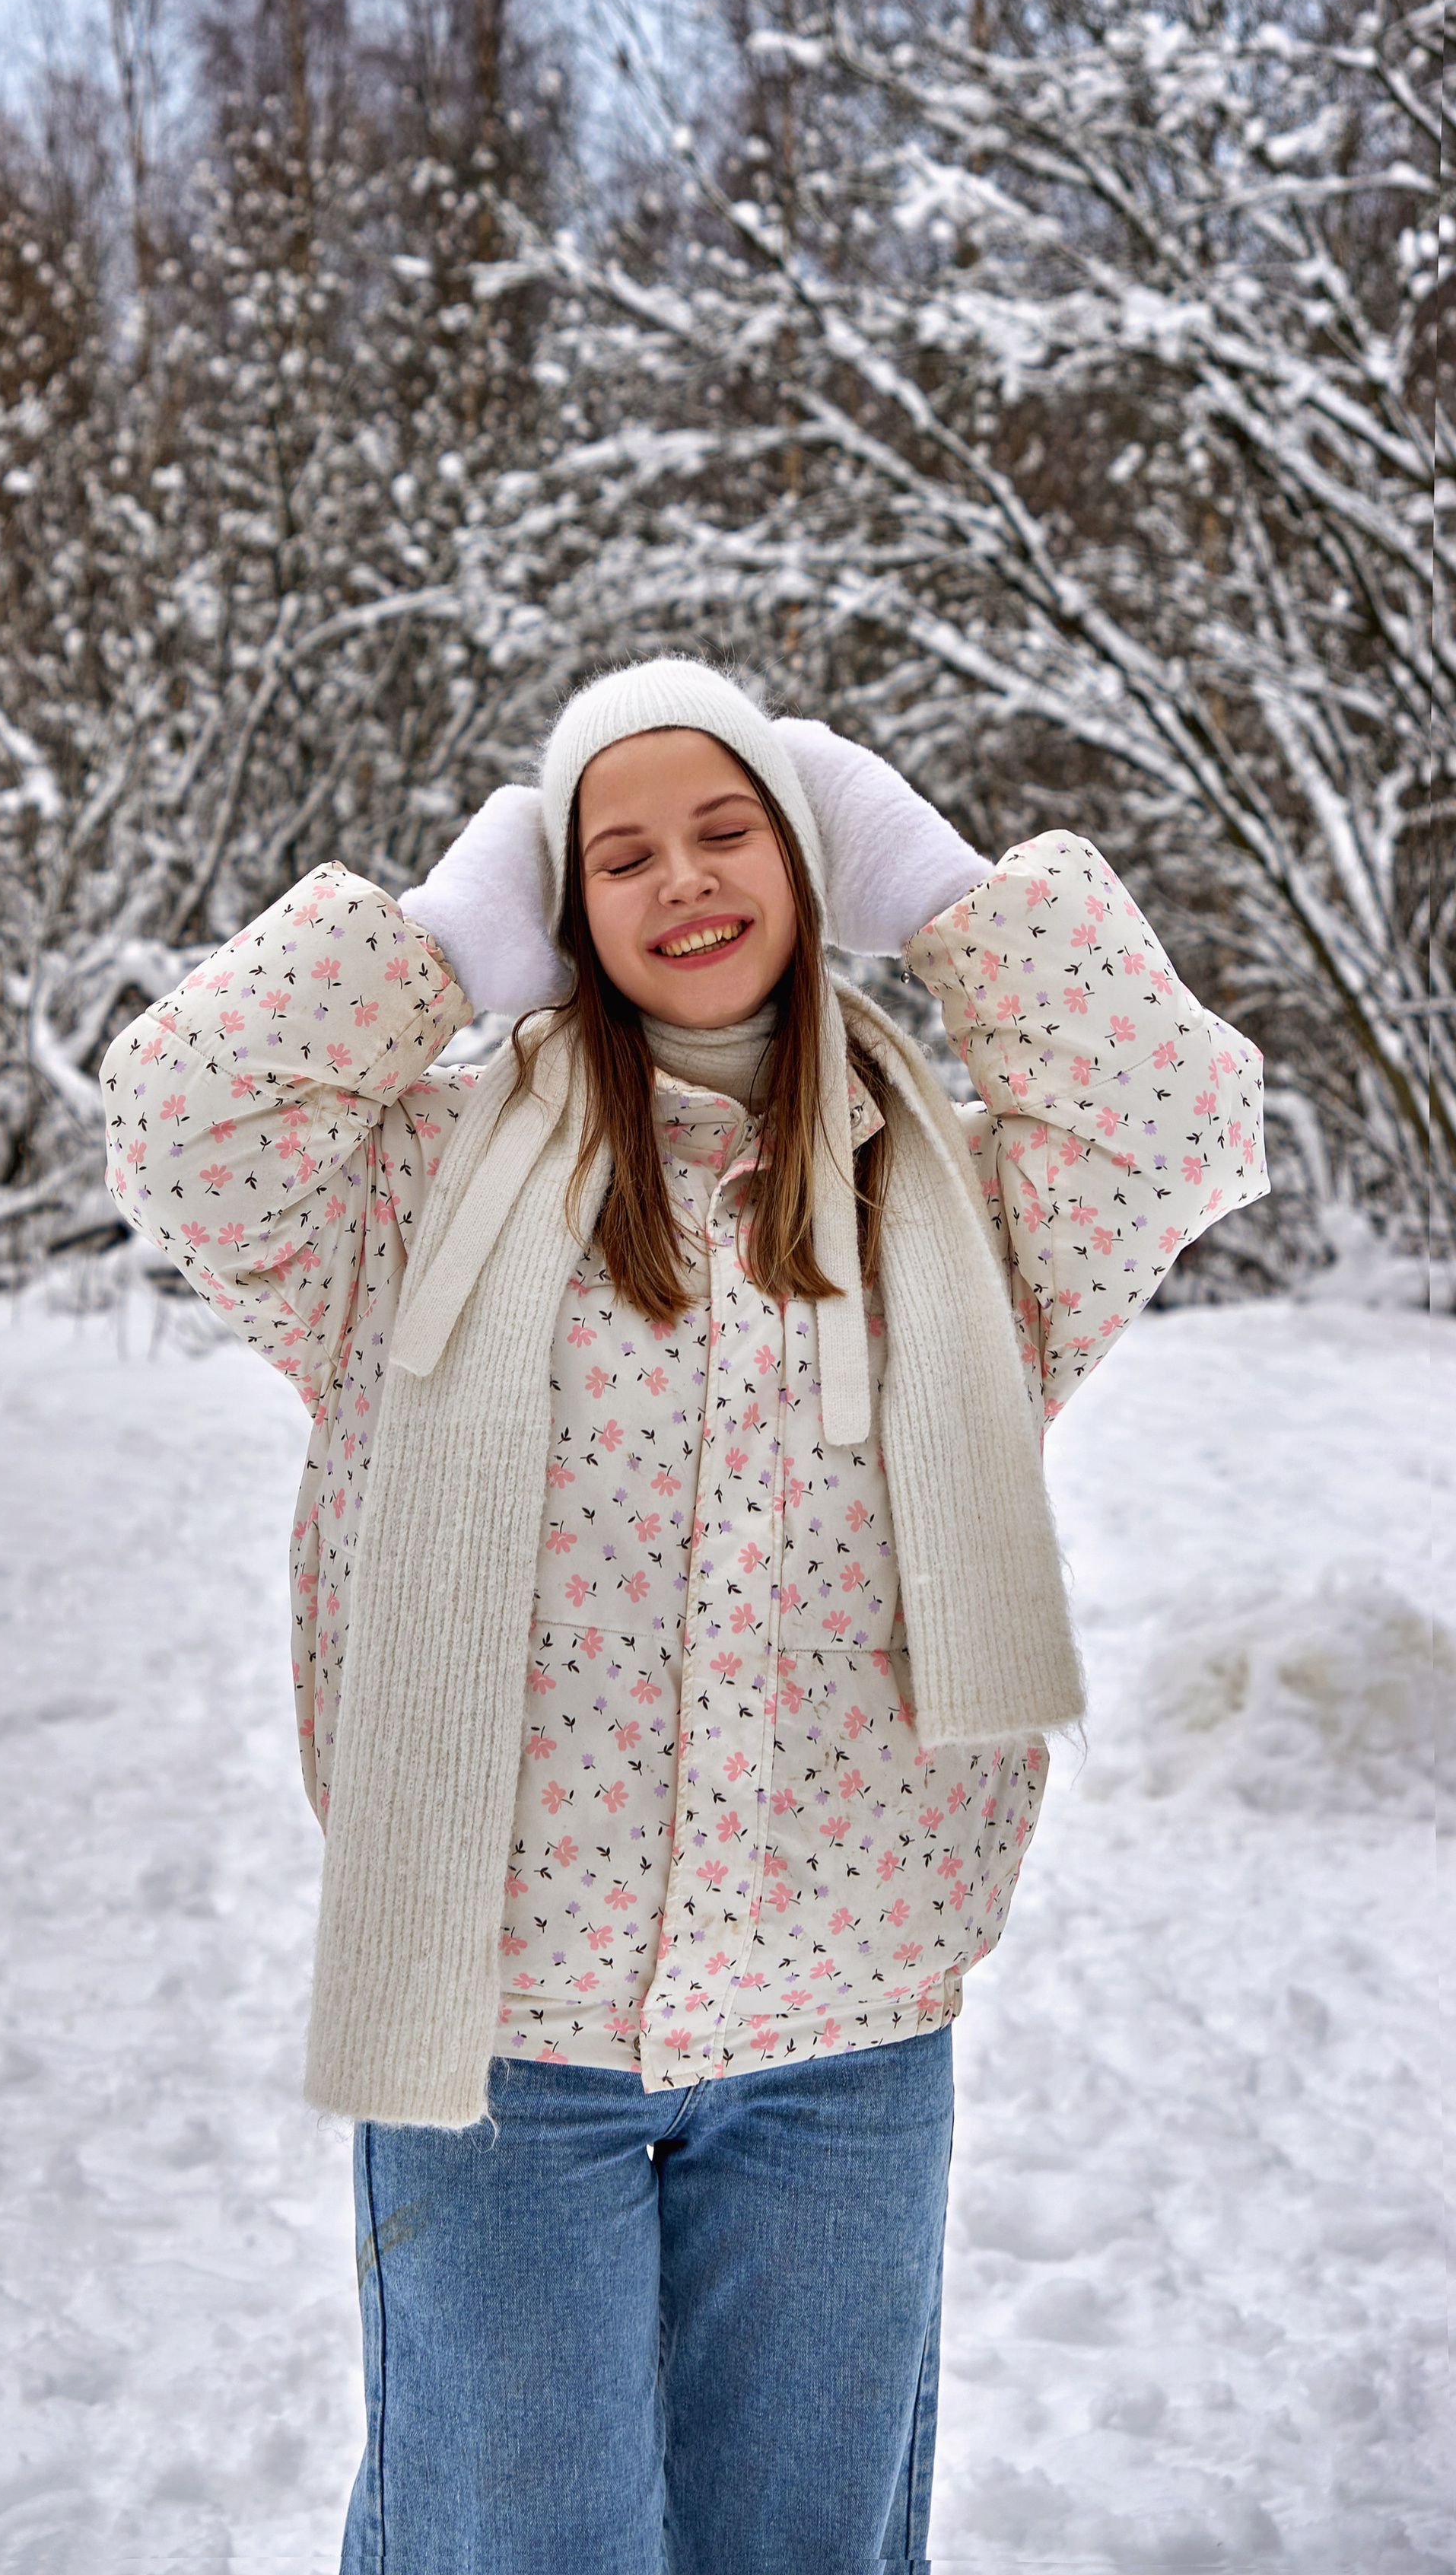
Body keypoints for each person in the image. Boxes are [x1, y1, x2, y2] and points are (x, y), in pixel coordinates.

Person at [100, 657, 1266, 2575]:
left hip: (845, 2024)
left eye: (730, 829)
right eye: (617, 853)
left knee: (801, 2546)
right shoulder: (406, 1189)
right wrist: (433, 945)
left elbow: (1180, 1117)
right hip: (501, 2028)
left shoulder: (962, 1204)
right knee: (514, 2542)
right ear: (560, 908)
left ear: (811, 867)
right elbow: (177, 1123)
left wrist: (941, 889)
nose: (681, 879)